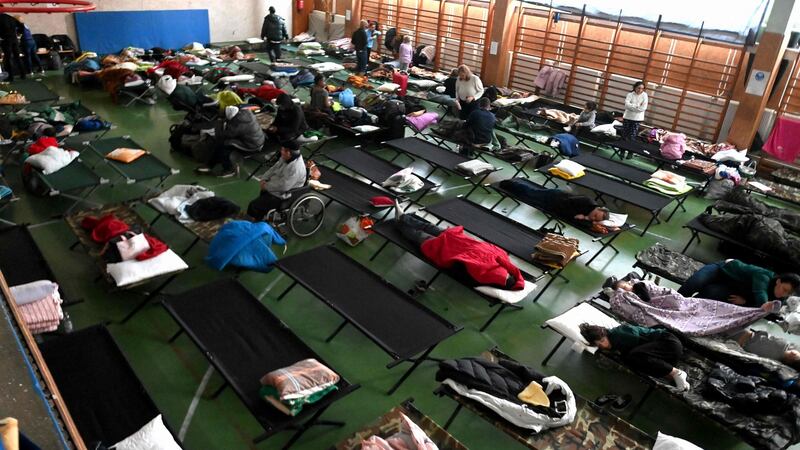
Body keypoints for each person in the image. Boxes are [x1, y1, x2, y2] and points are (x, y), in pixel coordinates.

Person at [608, 277, 800, 368]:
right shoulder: (628, 296)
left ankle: (750, 319)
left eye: (626, 286)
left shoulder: (641, 287)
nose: (627, 289)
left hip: (685, 309)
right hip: (676, 314)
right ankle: (749, 318)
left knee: (715, 314)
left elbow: (670, 297)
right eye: (623, 288)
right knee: (724, 319)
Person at [394, 205, 524, 290]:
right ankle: (403, 219)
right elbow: (490, 251)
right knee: (426, 233)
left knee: (425, 233)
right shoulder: (503, 263)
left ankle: (401, 221)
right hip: (460, 243)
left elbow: (463, 268)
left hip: (451, 249)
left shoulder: (487, 277)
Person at [579, 323, 690, 391]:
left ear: (605, 334)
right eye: (599, 345)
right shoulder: (613, 345)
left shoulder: (620, 333)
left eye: (602, 340)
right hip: (664, 356)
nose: (603, 345)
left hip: (669, 344)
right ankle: (672, 376)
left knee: (635, 355)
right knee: (631, 360)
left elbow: (643, 345)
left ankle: (676, 373)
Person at [678, 259, 799, 307]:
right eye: (784, 289)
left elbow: (755, 310)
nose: (784, 294)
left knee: (709, 294)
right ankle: (671, 301)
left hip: (729, 286)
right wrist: (764, 305)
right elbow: (760, 292)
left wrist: (746, 302)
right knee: (695, 283)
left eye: (787, 293)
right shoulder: (764, 275)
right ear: (778, 281)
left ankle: (683, 309)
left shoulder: (779, 300)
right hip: (721, 270)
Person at [498, 179, 610, 224]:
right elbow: (566, 203)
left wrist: (584, 218)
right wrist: (575, 215)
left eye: (596, 219)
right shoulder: (587, 201)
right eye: (595, 215)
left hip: (552, 206)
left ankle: (512, 187)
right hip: (554, 196)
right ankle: (508, 183)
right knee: (531, 193)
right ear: (598, 208)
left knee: (528, 198)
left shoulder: (589, 218)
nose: (593, 218)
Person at [196, 106, 265, 178]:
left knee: (224, 146)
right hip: (255, 140)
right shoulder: (244, 113)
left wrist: (219, 123)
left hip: (251, 145)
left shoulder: (238, 124)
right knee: (222, 143)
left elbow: (222, 136)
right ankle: (209, 165)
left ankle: (229, 170)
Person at [247, 140, 306, 221]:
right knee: (262, 198)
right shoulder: (286, 158)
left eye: (282, 150)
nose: (281, 152)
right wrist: (264, 178)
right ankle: (259, 217)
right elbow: (274, 168)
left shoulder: (296, 168)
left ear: (288, 152)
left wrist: (266, 186)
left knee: (253, 205)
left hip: (284, 195)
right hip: (275, 187)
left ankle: (253, 222)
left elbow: (284, 186)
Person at [0, 13, 25, 81]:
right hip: (14, 40)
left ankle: (10, 77)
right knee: (17, 57)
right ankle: (23, 74)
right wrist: (19, 34)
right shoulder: (10, 17)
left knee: (7, 59)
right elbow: (22, 25)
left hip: (6, 40)